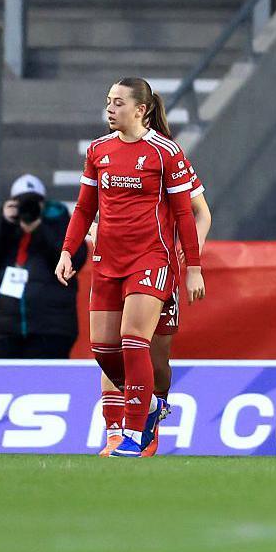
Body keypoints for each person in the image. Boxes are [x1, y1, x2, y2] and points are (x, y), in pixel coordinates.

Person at [56, 77, 205, 458]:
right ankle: (151, 404)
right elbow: (85, 208)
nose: (110, 108)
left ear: (141, 109)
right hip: (108, 260)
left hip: (150, 258)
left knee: (134, 340)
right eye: (108, 101)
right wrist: (68, 251)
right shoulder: (98, 150)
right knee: (103, 349)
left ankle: (133, 435)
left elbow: (187, 213)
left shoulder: (163, 152)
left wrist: (194, 267)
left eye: (119, 102)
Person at [97, 170, 212, 457]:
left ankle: (151, 420)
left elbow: (201, 213)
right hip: (118, 265)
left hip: (160, 267)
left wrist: (193, 250)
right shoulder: (106, 153)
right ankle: (115, 431)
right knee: (121, 346)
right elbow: (92, 206)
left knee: (157, 360)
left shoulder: (167, 156)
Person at [0, 174, 87, 358]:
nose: (28, 208)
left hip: (51, 330)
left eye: (34, 202)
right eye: (22, 202)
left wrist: (40, 229)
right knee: (5, 385)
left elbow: (77, 259)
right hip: (6, 331)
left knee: (47, 385)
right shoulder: (6, 228)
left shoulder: (60, 223)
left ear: (44, 204)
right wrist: (3, 222)